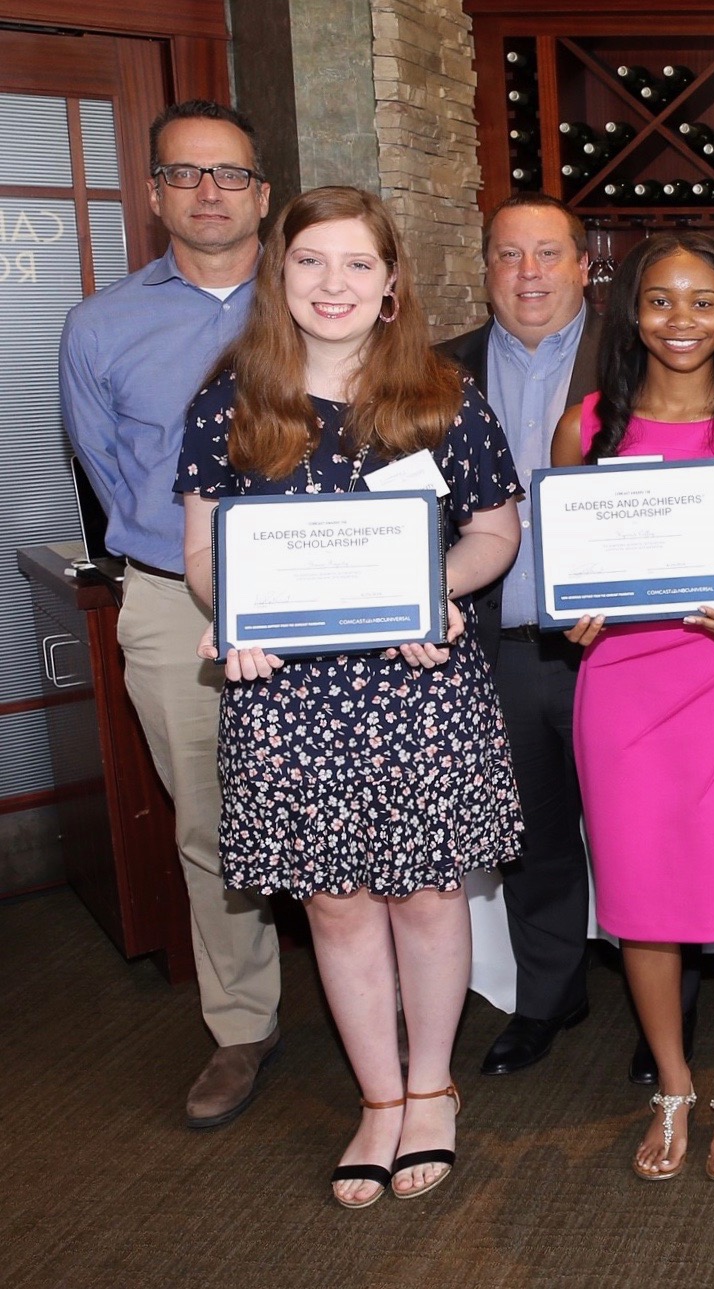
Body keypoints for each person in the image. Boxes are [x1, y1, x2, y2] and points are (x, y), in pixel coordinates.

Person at [175, 186, 524, 1207]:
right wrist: (234, 613)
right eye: (311, 263)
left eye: (356, 265)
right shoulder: (230, 399)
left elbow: (495, 531)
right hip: (288, 694)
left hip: (416, 684)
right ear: (280, 280)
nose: (333, 283)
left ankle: (433, 1085)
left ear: (389, 286)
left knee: (423, 890)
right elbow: (203, 551)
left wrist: (439, 592)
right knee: (332, 900)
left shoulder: (442, 395)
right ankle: (377, 1098)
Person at [551, 233, 714, 1182]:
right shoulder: (586, 429)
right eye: (661, 301)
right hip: (620, 690)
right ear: (632, 312)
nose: (681, 321)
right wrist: (570, 611)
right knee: (640, 899)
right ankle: (671, 1081)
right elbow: (566, 564)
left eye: (703, 302)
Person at [59, 100, 284, 1130]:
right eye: (186, 174)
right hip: (165, 601)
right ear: (154, 195)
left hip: (323, 604)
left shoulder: (316, 296)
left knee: (351, 800)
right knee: (211, 822)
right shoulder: (100, 326)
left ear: (261, 194)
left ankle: (384, 1000)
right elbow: (110, 475)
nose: (209, 192)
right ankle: (241, 1023)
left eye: (229, 174)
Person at [436, 193, 602, 1077]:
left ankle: (672, 1011)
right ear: (486, 269)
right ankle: (548, 995)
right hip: (496, 643)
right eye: (509, 255)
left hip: (616, 648)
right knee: (532, 832)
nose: (528, 274)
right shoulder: (433, 373)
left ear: (584, 266)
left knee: (636, 826)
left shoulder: (648, 351)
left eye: (548, 254)